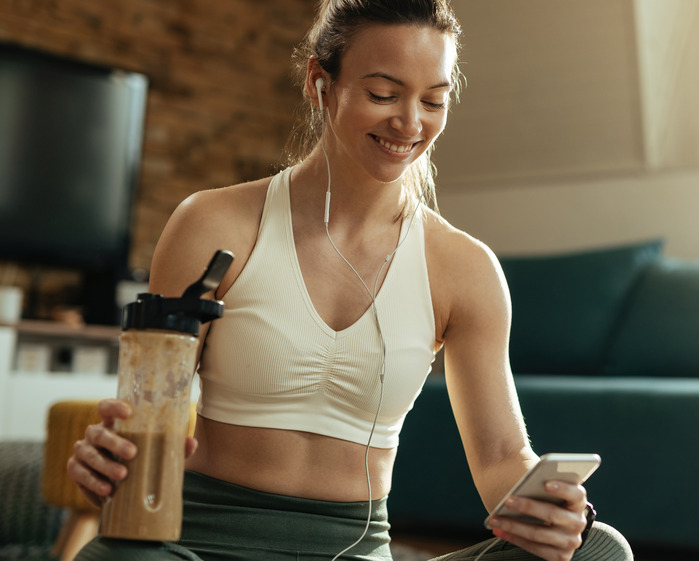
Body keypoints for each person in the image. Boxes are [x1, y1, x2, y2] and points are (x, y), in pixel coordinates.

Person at [68, 1, 633, 560]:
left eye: (433, 101)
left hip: (353, 551)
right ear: (321, 82)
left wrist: (556, 512)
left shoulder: (464, 269)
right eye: (383, 94)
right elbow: (147, 417)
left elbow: (502, 457)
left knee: (599, 552)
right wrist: (110, 458)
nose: (410, 123)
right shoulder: (213, 225)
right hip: (198, 546)